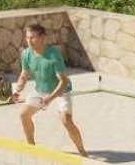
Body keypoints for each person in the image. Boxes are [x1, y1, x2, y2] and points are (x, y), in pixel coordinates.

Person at [8, 22, 88, 157]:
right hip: (41, 90)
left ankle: (82, 152)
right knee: (24, 115)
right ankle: (31, 147)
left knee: (66, 120)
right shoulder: (26, 54)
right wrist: (16, 91)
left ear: (42, 38)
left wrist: (50, 98)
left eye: (33, 38)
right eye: (27, 37)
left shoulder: (53, 55)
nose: (29, 41)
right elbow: (24, 75)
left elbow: (63, 81)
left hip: (62, 90)